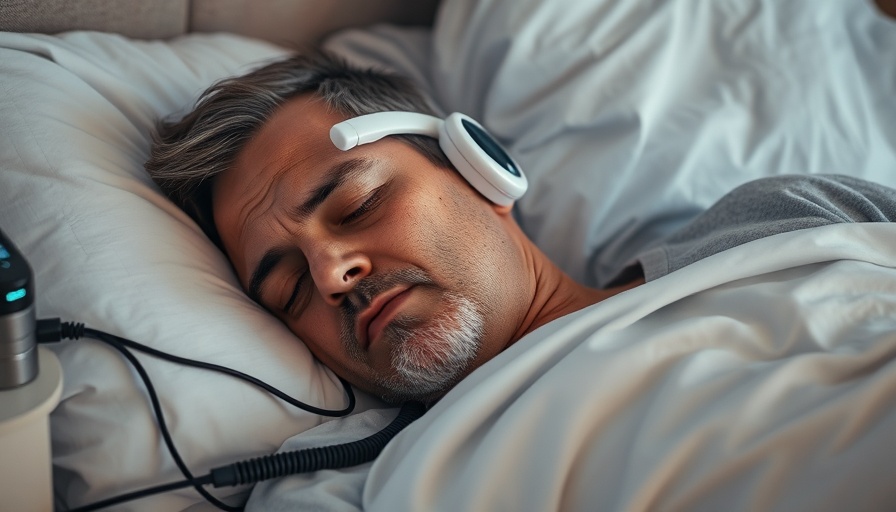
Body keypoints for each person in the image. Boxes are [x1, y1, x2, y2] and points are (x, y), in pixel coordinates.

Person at [146, 51, 896, 404]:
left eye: (357, 207)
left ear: (477, 167)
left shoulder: (791, 218)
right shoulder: (351, 493)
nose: (329, 275)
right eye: (285, 291)